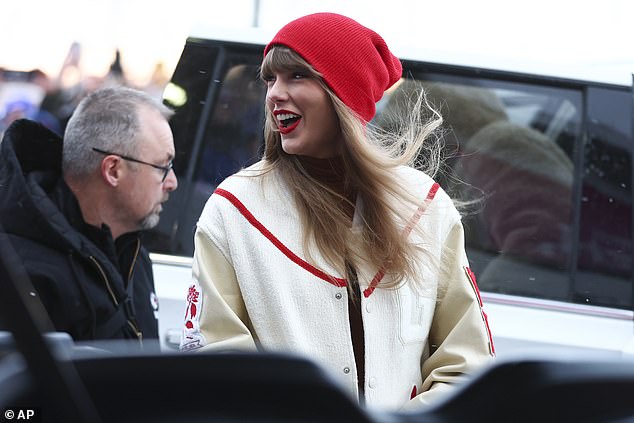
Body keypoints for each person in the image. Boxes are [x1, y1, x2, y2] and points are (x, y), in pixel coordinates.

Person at [180, 12, 494, 410]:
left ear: (344, 94)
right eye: (270, 79)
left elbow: (467, 362)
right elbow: (215, 363)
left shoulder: (425, 206)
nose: (275, 93)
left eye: (296, 76)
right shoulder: (233, 210)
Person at [0, 86, 178, 347]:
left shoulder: (132, 250)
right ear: (113, 170)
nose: (172, 182)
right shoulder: (21, 272)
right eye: (163, 167)